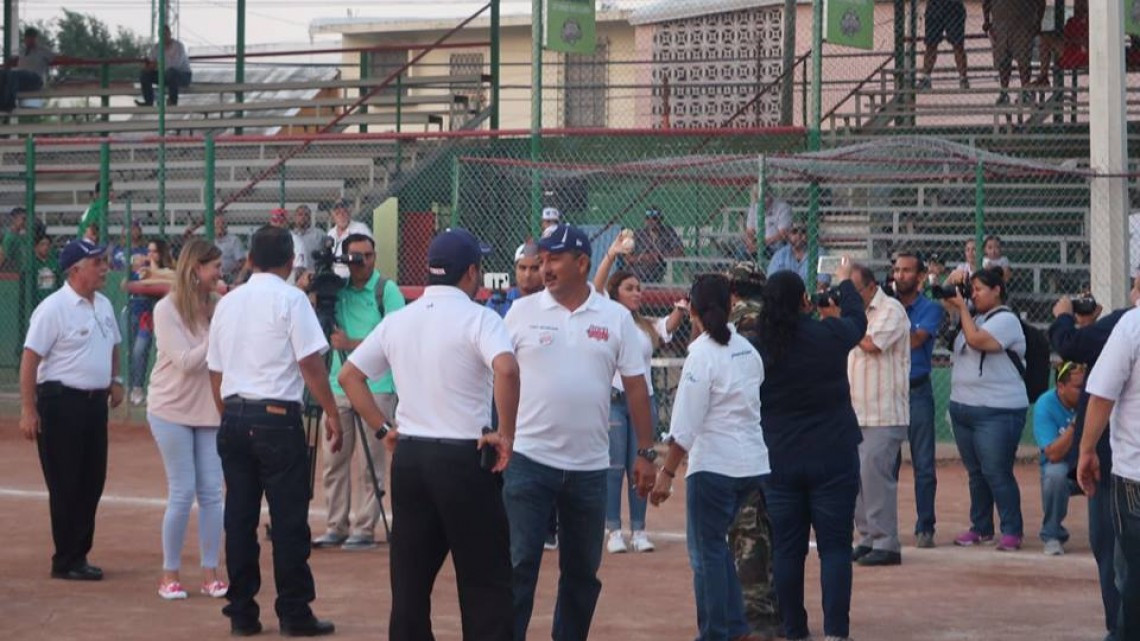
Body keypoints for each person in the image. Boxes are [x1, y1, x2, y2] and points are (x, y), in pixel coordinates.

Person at [337, 227, 520, 641]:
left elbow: (349, 376)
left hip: (412, 458)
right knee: (485, 582)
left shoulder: (400, 319)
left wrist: (384, 429)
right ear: (471, 272)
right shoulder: (480, 317)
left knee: (410, 582)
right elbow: (506, 368)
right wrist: (505, 434)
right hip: (463, 457)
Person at [503, 223, 656, 641]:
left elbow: (637, 387)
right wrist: (500, 434)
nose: (543, 268)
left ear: (583, 263)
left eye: (554, 260)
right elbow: (498, 377)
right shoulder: (520, 313)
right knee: (519, 567)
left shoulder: (614, 318)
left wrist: (646, 452)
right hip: (528, 462)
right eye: (541, 260)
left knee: (582, 574)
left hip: (590, 468)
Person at [207, 225, 343, 637]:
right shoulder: (292, 299)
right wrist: (332, 411)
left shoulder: (229, 303)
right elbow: (311, 364)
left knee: (240, 519)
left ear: (249, 260)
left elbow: (215, 370)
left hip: (234, 414)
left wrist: (228, 414)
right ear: (289, 263)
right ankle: (294, 612)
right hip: (276, 418)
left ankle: (243, 613)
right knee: (288, 521)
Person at [649, 273, 768, 641]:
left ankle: (716, 631)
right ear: (731, 305)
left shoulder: (702, 355)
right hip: (751, 464)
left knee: (706, 555)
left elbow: (684, 426)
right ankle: (734, 627)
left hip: (714, 466)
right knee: (717, 549)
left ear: (693, 311)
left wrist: (666, 473)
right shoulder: (748, 349)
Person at [753, 262, 865, 641]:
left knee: (787, 550)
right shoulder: (828, 333)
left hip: (779, 458)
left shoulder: (757, 347)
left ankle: (795, 629)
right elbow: (857, 320)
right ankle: (836, 632)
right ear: (804, 300)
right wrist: (847, 283)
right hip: (833, 454)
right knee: (835, 549)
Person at [19, 238, 124, 581]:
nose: (104, 267)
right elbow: (30, 359)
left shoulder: (105, 304)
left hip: (95, 405)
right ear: (76, 270)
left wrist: (115, 378)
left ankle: (79, 553)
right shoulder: (53, 308)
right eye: (97, 263)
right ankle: (66, 559)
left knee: (93, 479)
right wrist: (28, 408)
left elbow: (113, 344)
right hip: (60, 404)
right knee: (66, 482)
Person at [1050, 287, 1136, 640]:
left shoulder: (1128, 324)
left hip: (1123, 466)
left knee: (1118, 557)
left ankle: (1119, 629)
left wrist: (1065, 316)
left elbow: (1071, 347)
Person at [312, 233, 406, 551]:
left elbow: (395, 338)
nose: (362, 262)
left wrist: (350, 344)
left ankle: (365, 526)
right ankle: (335, 524)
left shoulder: (386, 290)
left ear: (375, 256)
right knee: (334, 458)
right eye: (355, 256)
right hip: (338, 383)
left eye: (367, 255)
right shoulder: (334, 291)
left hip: (377, 386)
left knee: (372, 462)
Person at [594, 233, 685, 554]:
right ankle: (614, 530)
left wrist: (682, 306)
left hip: (643, 403)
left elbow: (668, 326)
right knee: (613, 467)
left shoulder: (645, 325)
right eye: (630, 289)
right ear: (615, 294)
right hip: (615, 402)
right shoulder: (607, 316)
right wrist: (611, 254)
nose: (637, 293)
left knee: (641, 464)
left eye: (639, 289)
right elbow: (597, 287)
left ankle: (640, 530)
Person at [146, 239, 227, 600]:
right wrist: (217, 330)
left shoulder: (219, 306)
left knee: (212, 492)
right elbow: (186, 361)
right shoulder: (167, 309)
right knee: (182, 491)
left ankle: (211, 571)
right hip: (170, 409)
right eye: (215, 268)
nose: (220, 275)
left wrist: (221, 318)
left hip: (209, 409)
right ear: (197, 270)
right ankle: (169, 574)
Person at [941, 266, 1028, 551]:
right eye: (972, 289)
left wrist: (963, 311)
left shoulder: (1006, 319)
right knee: (976, 473)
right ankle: (980, 527)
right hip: (964, 405)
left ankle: (1012, 530)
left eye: (979, 289)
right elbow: (945, 302)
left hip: (998, 409)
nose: (973, 295)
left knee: (996, 470)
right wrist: (951, 285)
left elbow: (979, 341)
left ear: (997, 290)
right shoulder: (973, 316)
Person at [1078, 297, 1140, 641]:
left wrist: (1087, 450)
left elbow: (1102, 395)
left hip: (1134, 474)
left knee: (1133, 575)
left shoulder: (1131, 326)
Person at [724, 261, 780, 638]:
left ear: (733, 293)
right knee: (776, 526)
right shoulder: (785, 322)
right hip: (782, 437)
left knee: (748, 529)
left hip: (746, 441)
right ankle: (779, 610)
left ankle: (755, 615)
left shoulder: (736, 330)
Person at [846, 265, 910, 567]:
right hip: (856, 412)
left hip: (884, 413)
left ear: (871, 287)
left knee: (875, 477)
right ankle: (868, 537)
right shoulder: (854, 314)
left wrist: (843, 323)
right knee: (856, 478)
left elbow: (872, 344)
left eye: (852, 289)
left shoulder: (890, 309)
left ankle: (887, 542)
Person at [891, 252, 945, 548]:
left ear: (921, 276)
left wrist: (888, 332)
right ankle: (885, 527)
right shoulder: (885, 306)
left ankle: (926, 526)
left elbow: (915, 341)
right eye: (897, 270)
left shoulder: (930, 308)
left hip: (917, 390)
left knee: (923, 464)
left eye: (907, 271)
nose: (899, 275)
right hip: (889, 390)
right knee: (887, 463)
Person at [1033, 361, 1085, 556]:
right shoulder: (1045, 404)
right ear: (1061, 387)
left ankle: (1116, 536)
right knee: (1055, 475)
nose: (1084, 392)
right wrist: (1075, 425)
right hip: (1064, 468)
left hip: (1093, 466)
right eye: (1079, 387)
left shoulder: (1095, 400)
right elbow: (1053, 454)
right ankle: (1052, 535)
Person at [127, 238, 175, 406]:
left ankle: (166, 391)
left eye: (154, 251)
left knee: (166, 353)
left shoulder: (170, 268)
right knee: (139, 350)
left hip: (165, 316)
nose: (150, 255)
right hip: (144, 313)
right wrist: (151, 274)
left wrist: (154, 273)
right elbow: (139, 281)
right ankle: (137, 388)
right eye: (149, 251)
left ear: (161, 253)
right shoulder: (143, 268)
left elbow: (172, 278)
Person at [984, 0, 1043, 102]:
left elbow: (1041, 3)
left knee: (1024, 61)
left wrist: (1038, 22)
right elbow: (986, 3)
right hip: (1000, 24)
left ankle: (1025, 91)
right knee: (1003, 61)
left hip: (1023, 24)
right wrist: (987, 21)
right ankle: (1004, 92)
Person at [1, 28, 74, 111]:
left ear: (36, 38)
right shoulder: (22, 52)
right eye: (28, 37)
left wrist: (71, 59)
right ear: (25, 39)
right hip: (21, 80)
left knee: (14, 75)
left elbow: (56, 57)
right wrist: (7, 65)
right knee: (5, 75)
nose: (30, 40)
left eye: (32, 37)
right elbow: (12, 62)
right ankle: (5, 102)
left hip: (35, 79)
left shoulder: (42, 50)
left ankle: (8, 103)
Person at [1033, 0, 1088, 86]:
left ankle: (1043, 77)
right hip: (1069, 52)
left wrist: (1075, 41)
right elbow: (1065, 36)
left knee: (1046, 39)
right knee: (1044, 38)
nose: (1076, 6)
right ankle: (1043, 76)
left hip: (1081, 53)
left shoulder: (1091, 22)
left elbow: (1084, 41)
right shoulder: (1072, 21)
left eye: (1081, 3)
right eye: (1076, 3)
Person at [918, 0, 970, 90]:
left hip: (954, 7)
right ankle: (926, 78)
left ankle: (963, 78)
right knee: (931, 44)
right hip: (934, 6)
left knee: (958, 45)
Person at [625, 206, 685, 283]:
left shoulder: (667, 232)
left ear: (660, 220)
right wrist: (643, 258)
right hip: (637, 273)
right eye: (648, 218)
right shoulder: (639, 234)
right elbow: (627, 258)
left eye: (654, 218)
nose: (650, 221)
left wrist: (661, 256)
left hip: (656, 273)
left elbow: (680, 250)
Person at [137, 25, 192, 107]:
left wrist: (157, 65)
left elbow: (176, 65)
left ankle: (173, 101)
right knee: (144, 75)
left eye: (165, 34)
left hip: (183, 75)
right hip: (165, 75)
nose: (164, 37)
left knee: (172, 72)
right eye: (161, 35)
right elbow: (151, 61)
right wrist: (149, 67)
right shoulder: (157, 47)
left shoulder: (178, 46)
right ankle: (148, 101)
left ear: (170, 33)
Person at [486, 241, 543, 317]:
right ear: (515, 269)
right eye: (522, 268)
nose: (527, 275)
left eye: (534, 268)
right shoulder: (499, 303)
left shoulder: (553, 301)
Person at [327, 199, 372, 278]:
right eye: (338, 213)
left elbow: (369, 253)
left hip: (355, 277)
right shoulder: (331, 233)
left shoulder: (360, 228)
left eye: (344, 212)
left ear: (349, 213)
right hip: (335, 278)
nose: (341, 215)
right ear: (333, 216)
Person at [743, 188, 793, 259]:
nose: (759, 202)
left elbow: (783, 235)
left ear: (770, 196)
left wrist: (761, 244)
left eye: (764, 197)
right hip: (757, 242)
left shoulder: (783, 207)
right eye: (757, 198)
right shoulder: (754, 207)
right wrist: (750, 241)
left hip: (775, 243)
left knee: (780, 246)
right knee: (741, 249)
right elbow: (750, 231)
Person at [213, 213, 246, 284]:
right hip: (214, 275)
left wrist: (229, 272)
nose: (220, 226)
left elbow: (242, 262)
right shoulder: (210, 240)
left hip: (229, 276)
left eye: (223, 223)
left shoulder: (234, 240)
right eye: (217, 223)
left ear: (226, 226)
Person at [30, 231, 60, 308]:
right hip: (37, 303)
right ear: (36, 247)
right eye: (42, 244)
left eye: (48, 245)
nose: (46, 247)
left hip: (53, 302)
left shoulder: (54, 263)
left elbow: (60, 282)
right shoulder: (32, 263)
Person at [0, 206, 27, 270]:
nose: (25, 222)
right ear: (14, 219)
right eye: (23, 219)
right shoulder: (9, 236)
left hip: (22, 270)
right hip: (13, 272)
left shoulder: (21, 236)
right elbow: (2, 256)